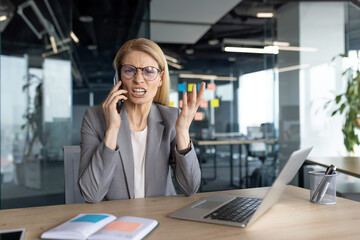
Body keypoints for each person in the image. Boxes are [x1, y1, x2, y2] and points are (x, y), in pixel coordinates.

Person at [78, 38, 205, 203]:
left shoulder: (172, 118)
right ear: (118, 77)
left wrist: (182, 132)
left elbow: (190, 187)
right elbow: (91, 195)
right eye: (129, 70)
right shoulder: (94, 118)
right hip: (117, 221)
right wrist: (112, 130)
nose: (139, 79)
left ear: (160, 78)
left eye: (149, 71)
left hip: (161, 218)